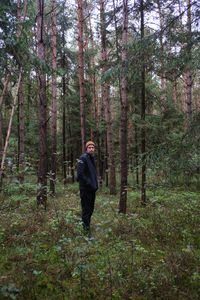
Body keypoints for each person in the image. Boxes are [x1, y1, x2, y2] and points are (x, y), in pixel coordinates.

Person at [76, 141, 98, 232]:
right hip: (85, 189)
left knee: (90, 209)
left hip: (92, 189)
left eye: (93, 147)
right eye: (89, 147)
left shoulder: (92, 158)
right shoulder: (83, 158)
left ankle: (87, 226)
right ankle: (86, 230)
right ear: (86, 148)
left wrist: (95, 185)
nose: (91, 149)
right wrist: (90, 183)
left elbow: (92, 174)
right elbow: (80, 174)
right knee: (86, 209)